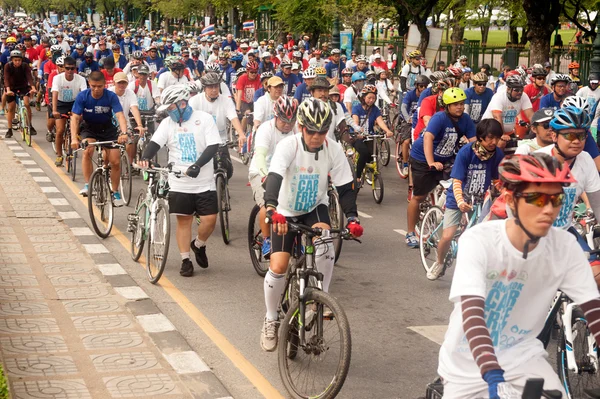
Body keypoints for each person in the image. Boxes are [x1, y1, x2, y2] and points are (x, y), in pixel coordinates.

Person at [437, 152, 600, 398]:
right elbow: (473, 315)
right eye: (536, 199)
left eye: (555, 199)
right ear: (511, 200)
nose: (548, 209)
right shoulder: (479, 241)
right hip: (468, 364)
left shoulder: (565, 247)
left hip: (524, 359)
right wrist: (492, 374)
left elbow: (594, 311)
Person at [259, 98, 363, 351]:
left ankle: (321, 298)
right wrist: (271, 209)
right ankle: (271, 318)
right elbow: (273, 178)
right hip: (285, 212)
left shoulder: (333, 149)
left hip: (314, 208)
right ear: (301, 127)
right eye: (311, 131)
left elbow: (344, 187)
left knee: (325, 243)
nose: (316, 136)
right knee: (279, 265)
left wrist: (352, 218)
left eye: (322, 131)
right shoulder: (288, 146)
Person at [139, 84, 221, 277]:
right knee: (184, 221)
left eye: (171, 108)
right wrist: (145, 156)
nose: (169, 112)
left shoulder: (204, 119)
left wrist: (198, 165)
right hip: (179, 182)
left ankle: (198, 244)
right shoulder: (168, 124)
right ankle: (185, 260)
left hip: (204, 181)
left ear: (182, 104)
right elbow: (155, 143)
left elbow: (213, 146)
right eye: (167, 109)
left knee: (210, 220)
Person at [428, 119, 504, 280]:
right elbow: (457, 181)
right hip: (459, 198)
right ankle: (439, 263)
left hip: (480, 199)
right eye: (490, 138)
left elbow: (496, 179)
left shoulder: (498, 154)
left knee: (482, 236)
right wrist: (460, 202)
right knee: (447, 236)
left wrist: (501, 190)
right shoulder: (466, 152)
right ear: (481, 137)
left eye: (497, 138)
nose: (494, 142)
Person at [405, 88, 476, 248]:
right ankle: (410, 233)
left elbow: (473, 142)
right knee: (419, 197)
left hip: (446, 159)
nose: (460, 107)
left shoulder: (465, 120)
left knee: (460, 185)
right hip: (423, 158)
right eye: (455, 104)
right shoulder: (439, 118)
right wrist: (431, 162)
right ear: (447, 105)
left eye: (461, 103)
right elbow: (428, 138)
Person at [248, 96, 298, 259]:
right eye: (284, 121)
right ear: (276, 116)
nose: (287, 125)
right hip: (262, 170)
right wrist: (265, 175)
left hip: (286, 172)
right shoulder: (265, 129)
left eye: (291, 121)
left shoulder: (296, 128)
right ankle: (267, 239)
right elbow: (260, 155)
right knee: (267, 204)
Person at [70, 71, 128, 205]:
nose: (96, 89)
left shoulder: (111, 96)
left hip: (107, 128)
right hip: (89, 128)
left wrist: (124, 133)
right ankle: (88, 184)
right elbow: (75, 118)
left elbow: (120, 115)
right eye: (93, 86)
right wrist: (74, 138)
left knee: (115, 161)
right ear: (89, 84)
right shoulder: (82, 96)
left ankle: (115, 192)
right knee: (87, 151)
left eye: (100, 86)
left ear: (104, 86)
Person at [189, 72, 246, 178]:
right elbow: (189, 121)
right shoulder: (195, 101)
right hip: (202, 143)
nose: (214, 90)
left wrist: (241, 134)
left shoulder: (226, 101)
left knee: (227, 170)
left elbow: (233, 117)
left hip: (221, 141)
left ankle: (223, 189)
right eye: (210, 87)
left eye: (216, 86)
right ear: (204, 88)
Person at [351, 84, 394, 182]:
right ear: (363, 97)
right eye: (369, 98)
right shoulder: (357, 108)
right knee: (364, 153)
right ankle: (357, 177)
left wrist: (387, 131)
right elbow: (355, 122)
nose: (371, 100)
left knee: (374, 153)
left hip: (370, 136)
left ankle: (369, 170)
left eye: (373, 98)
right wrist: (358, 132)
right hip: (357, 137)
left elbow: (380, 121)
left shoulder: (375, 109)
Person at [51, 56, 87, 166]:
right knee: (60, 130)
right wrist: (54, 110)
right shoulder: (57, 78)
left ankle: (76, 133)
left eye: (72, 68)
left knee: (80, 120)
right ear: (63, 68)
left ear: (75, 69)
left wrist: (82, 112)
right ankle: (59, 155)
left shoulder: (80, 79)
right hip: (61, 103)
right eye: (67, 68)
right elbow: (55, 94)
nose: (70, 71)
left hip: (75, 103)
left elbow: (84, 95)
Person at [481, 75, 533, 149]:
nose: (520, 92)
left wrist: (538, 129)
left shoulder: (523, 96)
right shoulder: (499, 97)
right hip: (489, 129)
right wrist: (501, 135)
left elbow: (531, 115)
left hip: (509, 132)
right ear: (508, 89)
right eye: (516, 90)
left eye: (521, 89)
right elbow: (497, 117)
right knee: (500, 144)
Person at [4, 50, 36, 139]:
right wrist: (8, 90)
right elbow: (6, 79)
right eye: (15, 60)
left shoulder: (24, 66)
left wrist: (33, 88)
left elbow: (29, 77)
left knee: (26, 104)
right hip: (11, 88)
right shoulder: (8, 66)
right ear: (12, 60)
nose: (17, 62)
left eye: (19, 60)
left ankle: (30, 125)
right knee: (11, 108)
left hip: (23, 87)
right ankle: (9, 129)